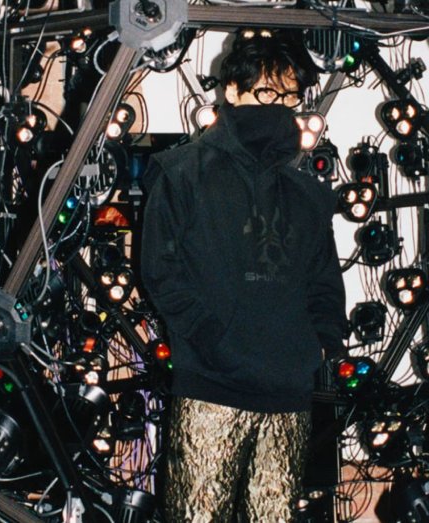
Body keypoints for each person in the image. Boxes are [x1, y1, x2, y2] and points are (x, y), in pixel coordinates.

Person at [140, 30, 347, 522]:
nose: (280, 108)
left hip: (287, 392)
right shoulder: (181, 173)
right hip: (211, 388)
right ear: (231, 90)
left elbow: (324, 277)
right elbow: (160, 272)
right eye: (267, 93)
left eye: (291, 97)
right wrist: (212, 340)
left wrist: (321, 344)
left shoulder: (307, 192)